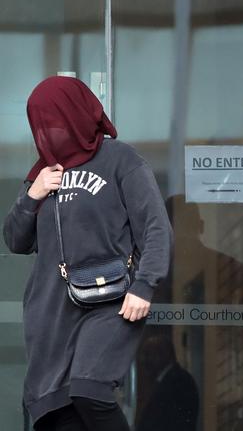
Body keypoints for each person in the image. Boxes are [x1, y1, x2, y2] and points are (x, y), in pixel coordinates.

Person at [3, 76, 173, 431]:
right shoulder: (42, 174)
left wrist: (145, 285)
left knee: (89, 390)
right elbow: (15, 241)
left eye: (56, 121)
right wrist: (31, 196)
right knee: (57, 414)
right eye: (42, 125)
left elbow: (156, 227)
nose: (50, 132)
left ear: (76, 114)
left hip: (111, 301)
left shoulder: (120, 160)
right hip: (52, 311)